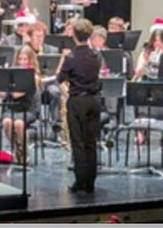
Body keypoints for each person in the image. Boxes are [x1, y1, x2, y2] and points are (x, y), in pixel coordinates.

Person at [56, 18, 103, 194]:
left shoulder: (71, 56)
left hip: (77, 101)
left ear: (74, 35)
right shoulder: (96, 55)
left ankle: (80, 181)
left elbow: (60, 78)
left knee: (78, 142)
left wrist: (64, 62)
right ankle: (90, 182)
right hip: (94, 101)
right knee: (91, 142)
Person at [0, 46, 42, 165]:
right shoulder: (12, 75)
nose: (22, 62)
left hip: (28, 109)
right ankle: (16, 150)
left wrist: (7, 82)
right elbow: (3, 96)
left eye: (25, 59)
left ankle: (24, 151)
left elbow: (17, 94)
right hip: (12, 107)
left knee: (18, 123)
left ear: (30, 60)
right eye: (20, 59)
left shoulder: (34, 76)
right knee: (7, 122)